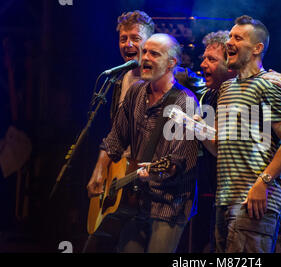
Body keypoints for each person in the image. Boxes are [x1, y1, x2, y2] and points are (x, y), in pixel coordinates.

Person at [190, 30, 281, 252]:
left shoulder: (268, 85)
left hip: (253, 199)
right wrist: (200, 131)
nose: (203, 64)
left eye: (211, 59)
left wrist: (262, 183)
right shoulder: (224, 91)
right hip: (224, 199)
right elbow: (222, 148)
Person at [85, 33, 198, 253]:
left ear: (172, 63)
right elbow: (115, 138)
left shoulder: (186, 103)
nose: (145, 57)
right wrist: (99, 171)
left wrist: (158, 171)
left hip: (169, 204)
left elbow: (176, 163)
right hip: (134, 200)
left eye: (154, 54)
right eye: (145, 51)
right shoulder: (136, 91)